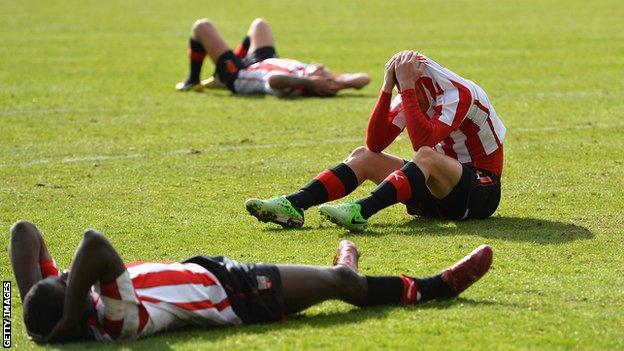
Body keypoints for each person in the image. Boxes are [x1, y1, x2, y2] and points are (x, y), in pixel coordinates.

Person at [9, 220, 492, 343]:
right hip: (236, 296)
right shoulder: (112, 320)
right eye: (67, 283)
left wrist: (25, 313)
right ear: (79, 313)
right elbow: (94, 244)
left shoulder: (78, 307)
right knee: (345, 285)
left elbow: (22, 232)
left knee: (337, 279)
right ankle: (437, 287)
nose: (72, 275)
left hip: (211, 271)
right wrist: (69, 311)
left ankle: (347, 262)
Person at [245, 50, 506, 232]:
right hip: (438, 193)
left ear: (420, 82)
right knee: (363, 156)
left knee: (425, 156)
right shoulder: (413, 93)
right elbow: (375, 143)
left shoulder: (458, 93)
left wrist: (406, 89)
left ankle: (361, 211)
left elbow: (422, 143)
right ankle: (294, 204)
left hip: (480, 193)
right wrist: (386, 89)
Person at [175, 18, 370, 96]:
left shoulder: (296, 85)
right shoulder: (325, 79)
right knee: (260, 25)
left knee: (202, 27)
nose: (322, 66)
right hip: (263, 61)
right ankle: (223, 72)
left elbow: (274, 80)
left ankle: (193, 80)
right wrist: (342, 83)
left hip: (240, 75)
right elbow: (363, 78)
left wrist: (311, 82)